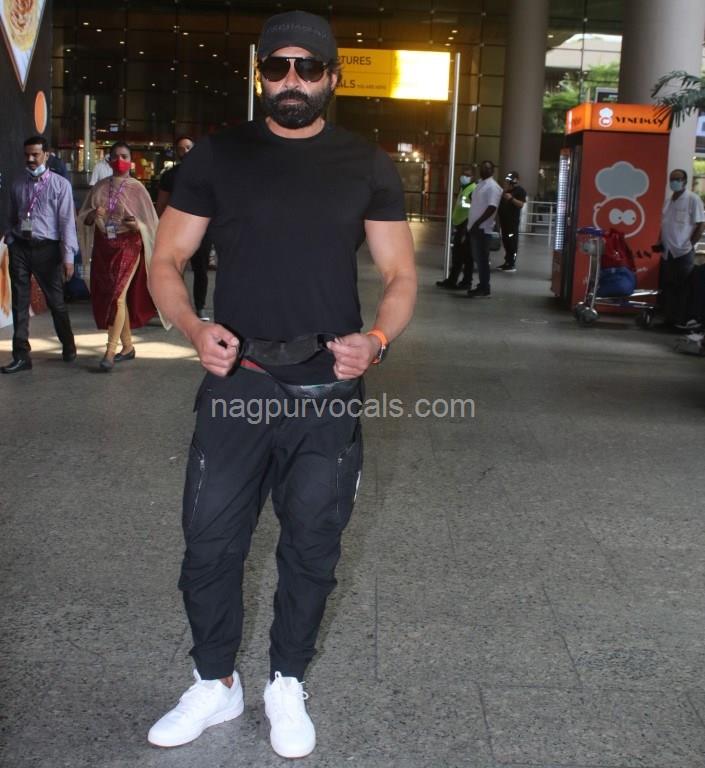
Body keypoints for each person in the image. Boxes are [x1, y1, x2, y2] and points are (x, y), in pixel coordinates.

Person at [146, 10, 416, 760]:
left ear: (332, 76)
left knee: (311, 546)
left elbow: (399, 274)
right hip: (238, 384)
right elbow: (166, 260)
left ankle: (286, 682)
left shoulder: (366, 165)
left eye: (308, 66)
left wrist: (377, 341)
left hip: (326, 392)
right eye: (277, 66)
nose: (291, 80)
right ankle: (215, 683)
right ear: (260, 73)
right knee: (209, 544)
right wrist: (194, 327)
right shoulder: (218, 155)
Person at [77, 142, 158, 371]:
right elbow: (84, 218)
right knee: (113, 295)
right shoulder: (100, 187)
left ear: (130, 160)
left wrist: (137, 225)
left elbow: (151, 223)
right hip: (104, 247)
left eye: (124, 156)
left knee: (118, 297)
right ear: (108, 160)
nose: (119, 160)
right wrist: (94, 214)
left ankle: (110, 351)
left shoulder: (137, 188)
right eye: (115, 156)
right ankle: (128, 346)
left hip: (129, 245)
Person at [1, 135, 77, 374]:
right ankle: (21, 356)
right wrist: (11, 240)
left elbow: (67, 223)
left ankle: (68, 344)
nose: (31, 159)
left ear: (46, 154)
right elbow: (11, 216)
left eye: (35, 154)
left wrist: (68, 258)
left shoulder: (60, 185)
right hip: (20, 248)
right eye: (27, 155)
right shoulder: (17, 184)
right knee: (19, 303)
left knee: (56, 302)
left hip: (48, 250)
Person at [156, 135, 211, 321]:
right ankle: (175, 307)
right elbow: (161, 204)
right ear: (176, 152)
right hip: (176, 228)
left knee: (200, 270)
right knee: (175, 270)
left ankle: (200, 307)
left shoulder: (207, 174)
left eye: (188, 147)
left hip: (202, 229)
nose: (185, 151)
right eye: (181, 148)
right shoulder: (170, 175)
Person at [656, 168, 705, 328]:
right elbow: (665, 224)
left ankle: (680, 321)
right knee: (668, 287)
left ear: (684, 181)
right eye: (672, 179)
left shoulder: (693, 199)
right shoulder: (668, 201)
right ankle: (669, 320)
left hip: (683, 252)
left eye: (677, 179)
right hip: (667, 251)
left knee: (683, 287)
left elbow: (700, 224)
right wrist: (659, 241)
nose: (674, 182)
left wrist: (690, 244)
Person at [465, 160, 502, 298]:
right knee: (477, 258)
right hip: (474, 227)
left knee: (482, 260)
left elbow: (492, 207)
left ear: (492, 170)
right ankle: (482, 286)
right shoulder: (480, 184)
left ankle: (484, 288)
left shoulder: (493, 187)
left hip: (482, 229)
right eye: (482, 167)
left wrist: (478, 223)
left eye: (487, 168)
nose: (484, 170)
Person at [436, 167, 476, 289]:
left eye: (467, 175)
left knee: (465, 255)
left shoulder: (472, 189)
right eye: (463, 174)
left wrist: (466, 228)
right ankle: (453, 280)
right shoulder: (464, 188)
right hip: (460, 224)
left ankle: (465, 282)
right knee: (458, 254)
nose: (464, 177)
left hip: (466, 225)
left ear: (472, 177)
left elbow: (473, 208)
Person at [497, 171, 526, 273]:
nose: (508, 182)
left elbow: (521, 204)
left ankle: (512, 263)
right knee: (506, 242)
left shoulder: (520, 191)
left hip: (512, 223)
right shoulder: (505, 191)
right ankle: (507, 262)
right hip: (504, 222)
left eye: (511, 180)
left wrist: (511, 199)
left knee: (512, 243)